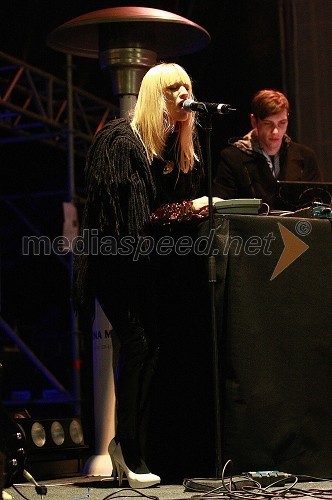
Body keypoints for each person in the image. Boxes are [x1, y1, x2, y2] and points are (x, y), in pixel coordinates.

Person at [72, 62, 217, 488]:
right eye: (175, 89)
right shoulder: (119, 141)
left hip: (149, 265)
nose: (184, 96)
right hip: (115, 262)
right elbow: (132, 220)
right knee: (137, 345)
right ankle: (126, 448)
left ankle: (134, 446)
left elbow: (178, 206)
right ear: (156, 94)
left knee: (152, 350)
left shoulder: (175, 143)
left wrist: (192, 200)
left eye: (188, 88)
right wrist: (189, 208)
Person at [212, 88, 321, 209]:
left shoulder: (306, 157)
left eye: (282, 123)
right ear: (254, 121)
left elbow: (319, 207)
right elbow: (222, 209)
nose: (275, 131)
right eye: (268, 123)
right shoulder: (232, 158)